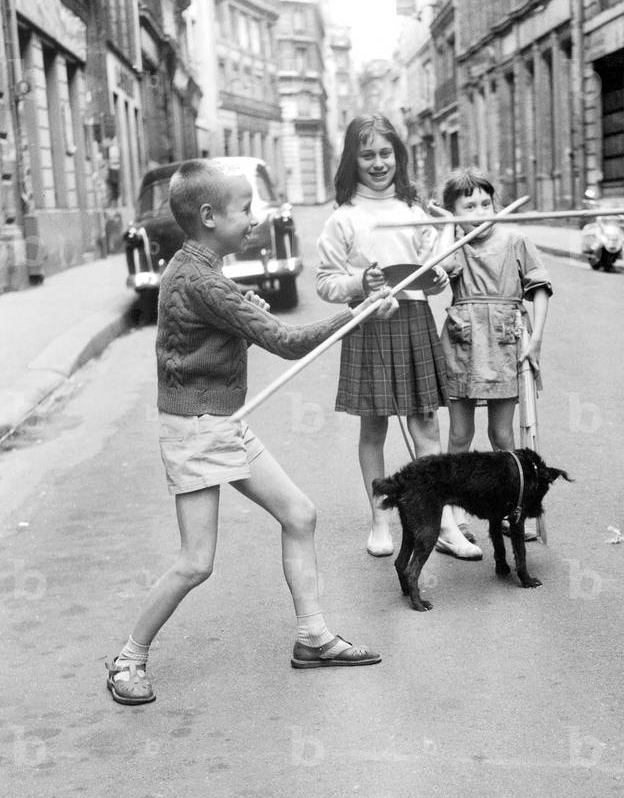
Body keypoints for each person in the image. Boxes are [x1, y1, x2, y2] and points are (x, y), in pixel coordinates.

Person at [106, 159, 386, 706]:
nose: (255, 219)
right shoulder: (203, 280)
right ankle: (128, 659)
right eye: (245, 209)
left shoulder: (195, 269)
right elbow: (287, 342)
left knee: (299, 514)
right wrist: (358, 310)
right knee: (196, 562)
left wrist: (240, 320)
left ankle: (313, 637)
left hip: (220, 420)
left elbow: (208, 332)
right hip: (197, 428)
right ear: (210, 217)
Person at [315, 115, 481, 561]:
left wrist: (438, 275)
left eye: (385, 153)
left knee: (426, 424)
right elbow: (325, 282)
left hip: (413, 319)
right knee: (374, 426)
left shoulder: (414, 211)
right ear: (352, 160)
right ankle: (380, 520)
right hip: (369, 322)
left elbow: (433, 270)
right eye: (367, 154)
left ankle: (443, 524)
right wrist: (359, 283)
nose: (378, 163)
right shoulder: (343, 218)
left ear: (398, 156)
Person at [429, 168, 552, 542]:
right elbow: (441, 269)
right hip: (463, 343)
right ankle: (453, 514)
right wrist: (448, 228)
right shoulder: (454, 245)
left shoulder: (515, 240)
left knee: (502, 435)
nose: (481, 211)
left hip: (504, 343)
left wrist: (536, 339)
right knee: (460, 434)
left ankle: (512, 508)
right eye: (469, 207)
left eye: (486, 203)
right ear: (454, 213)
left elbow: (539, 288)